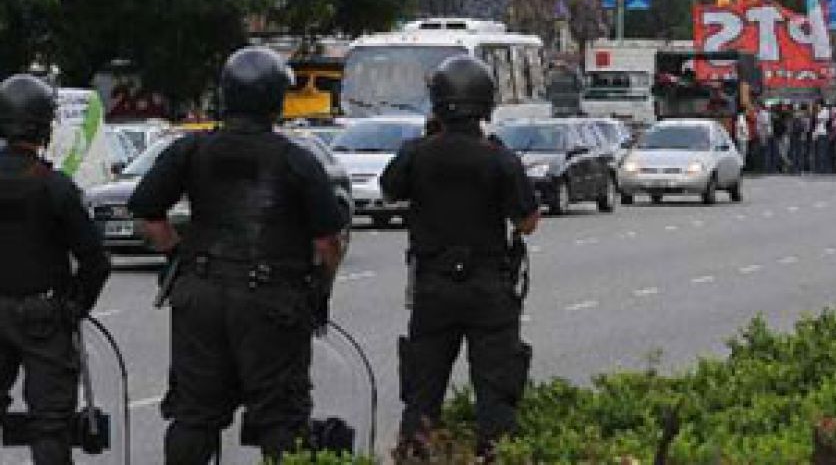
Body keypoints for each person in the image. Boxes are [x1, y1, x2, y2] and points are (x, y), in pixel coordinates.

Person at [127, 47, 347, 464]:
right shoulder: (296, 160)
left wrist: (179, 254)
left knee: (194, 414)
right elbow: (328, 244)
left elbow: (147, 215)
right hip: (271, 301)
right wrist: (319, 289)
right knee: (281, 418)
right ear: (276, 99)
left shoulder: (190, 150)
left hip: (201, 294)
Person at [381, 55, 540, 461]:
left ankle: (416, 454)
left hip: (433, 287)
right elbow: (527, 222)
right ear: (486, 103)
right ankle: (493, 454)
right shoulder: (498, 157)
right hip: (488, 286)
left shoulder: (419, 154)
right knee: (496, 394)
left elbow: (389, 189)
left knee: (423, 391)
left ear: (437, 102)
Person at [0, 74, 111, 464]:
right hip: (43, 318)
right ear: (44, 125)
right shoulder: (54, 186)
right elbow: (96, 260)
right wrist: (75, 306)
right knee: (49, 425)